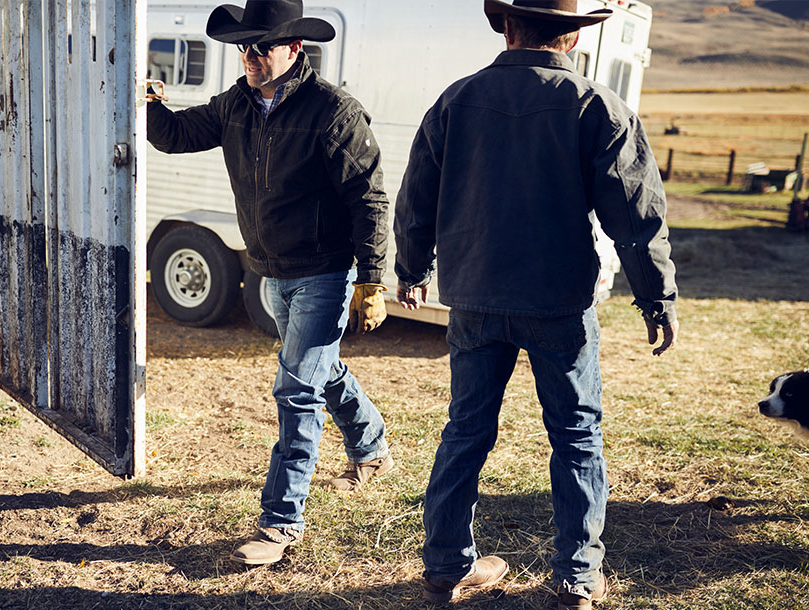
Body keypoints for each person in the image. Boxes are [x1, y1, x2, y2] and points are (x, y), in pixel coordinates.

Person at [393, 1, 679, 607]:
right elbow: (634, 214)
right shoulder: (596, 105)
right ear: (573, 37)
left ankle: (446, 565)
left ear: (507, 27)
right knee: (576, 435)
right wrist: (657, 296)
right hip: (557, 301)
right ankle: (576, 577)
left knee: (466, 429)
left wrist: (412, 269)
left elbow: (416, 196)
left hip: (473, 297)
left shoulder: (455, 101)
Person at [146, 0, 394, 566]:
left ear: (295, 49)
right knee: (316, 369)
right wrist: (151, 103)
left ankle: (282, 522)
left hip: (326, 271)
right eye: (244, 47)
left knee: (296, 389)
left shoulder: (333, 111)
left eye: (262, 47)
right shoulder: (236, 103)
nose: (250, 57)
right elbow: (179, 134)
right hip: (269, 268)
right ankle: (372, 444)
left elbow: (370, 199)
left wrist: (372, 281)